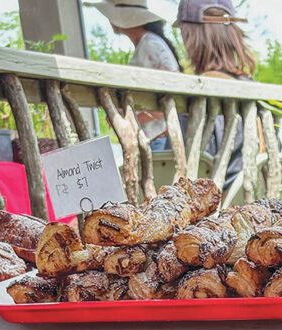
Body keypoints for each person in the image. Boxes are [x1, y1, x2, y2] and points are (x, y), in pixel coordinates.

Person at [176, 0, 257, 189]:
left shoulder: (196, 93)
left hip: (211, 201)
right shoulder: (253, 89)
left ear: (190, 35)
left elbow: (187, 167)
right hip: (251, 198)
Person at [86, 1, 182, 148]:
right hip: (155, 138)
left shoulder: (149, 45)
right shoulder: (148, 43)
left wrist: (126, 119)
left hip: (157, 139)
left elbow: (169, 102)